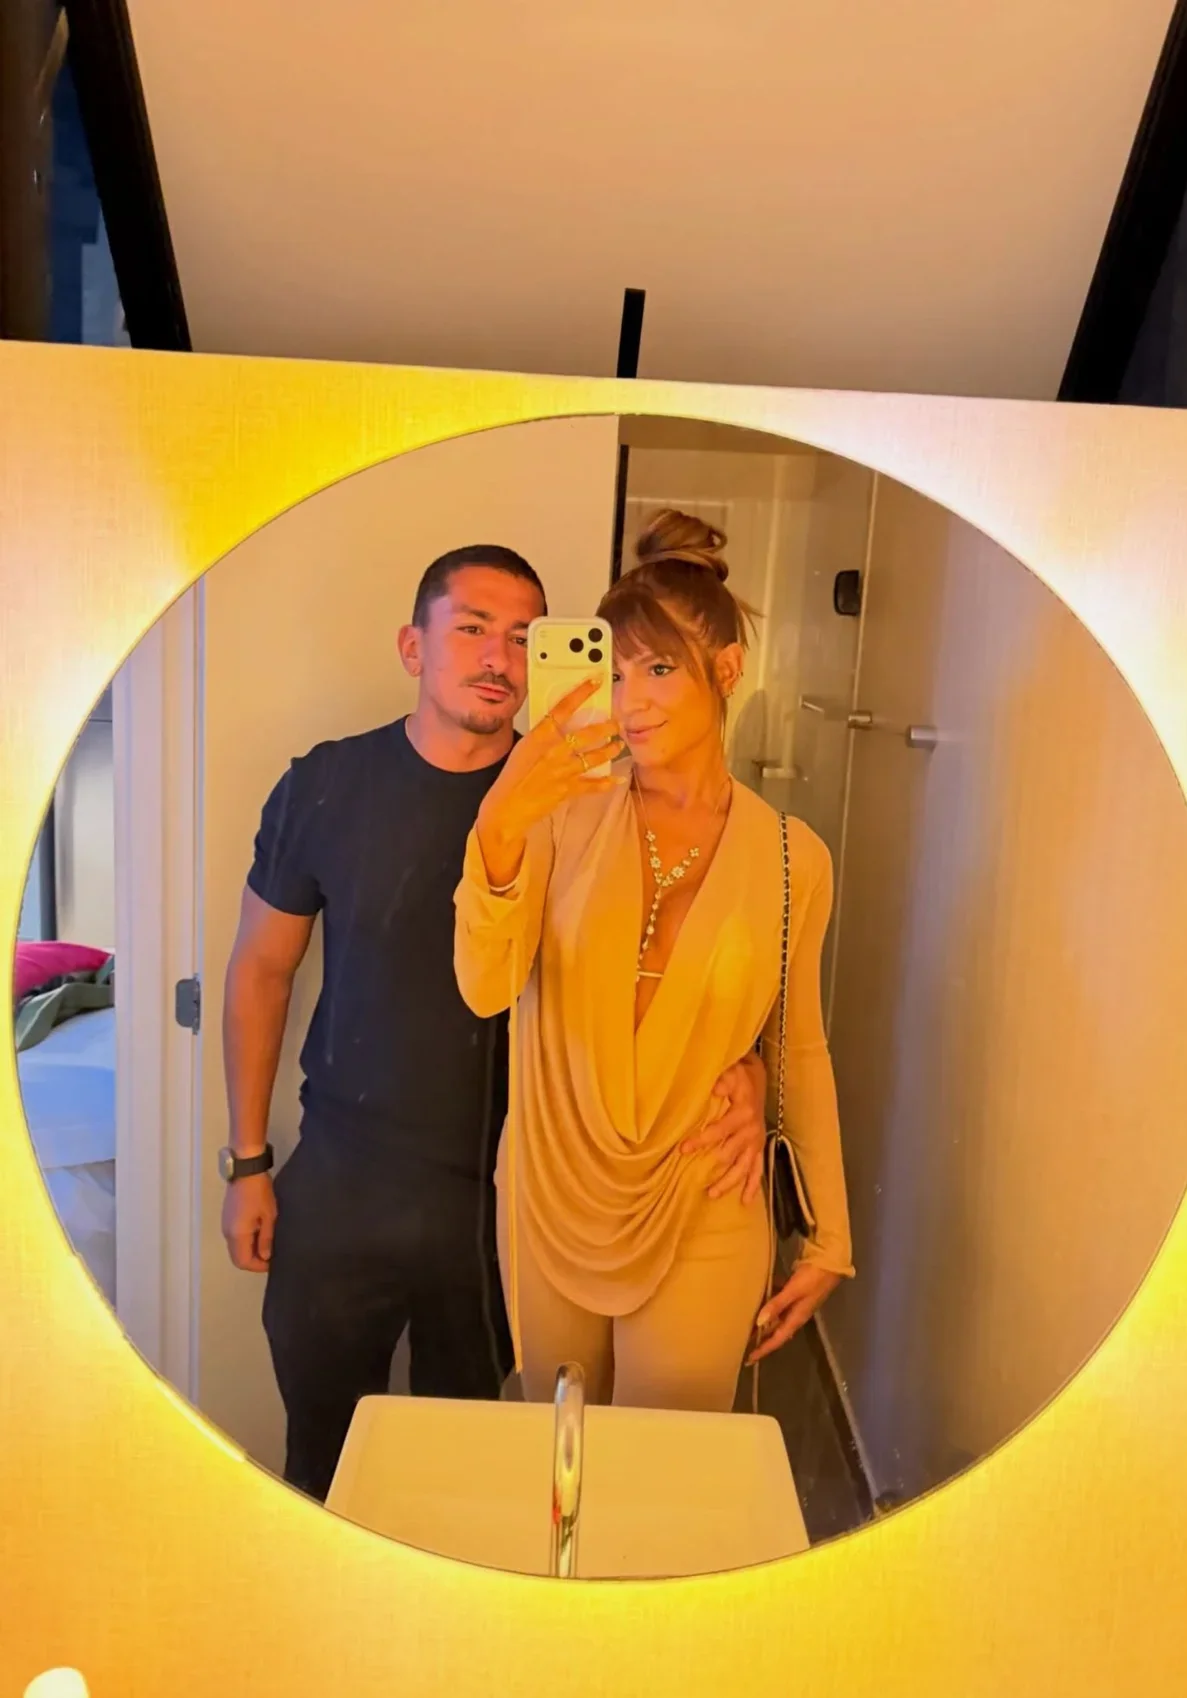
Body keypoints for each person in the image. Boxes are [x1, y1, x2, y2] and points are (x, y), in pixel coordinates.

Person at [219, 540, 769, 1502]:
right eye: (472, 628)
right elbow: (262, 972)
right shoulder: (326, 785)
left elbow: (685, 963)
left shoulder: (595, 801)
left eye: (524, 637)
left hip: (511, 1201)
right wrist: (249, 1162)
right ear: (413, 646)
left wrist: (750, 1071)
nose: (499, 658)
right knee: (322, 1460)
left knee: (486, 1478)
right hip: (343, 1183)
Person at [454, 510, 854, 1414]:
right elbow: (484, 988)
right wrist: (500, 819)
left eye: (660, 669)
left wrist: (829, 1235)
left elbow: (798, 1047)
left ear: (727, 670)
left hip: (705, 1190)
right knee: (555, 1450)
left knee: (670, 1464)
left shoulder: (793, 858)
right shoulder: (558, 815)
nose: (630, 700)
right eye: (615, 671)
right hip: (551, 1184)